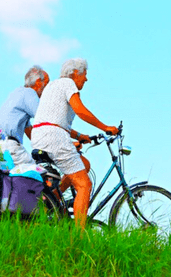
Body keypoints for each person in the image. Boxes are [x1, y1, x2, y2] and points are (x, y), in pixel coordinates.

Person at [31, 58, 118, 228]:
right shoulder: (68, 83)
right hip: (54, 137)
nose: (86, 79)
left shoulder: (52, 86)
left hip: (40, 136)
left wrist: (79, 136)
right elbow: (80, 110)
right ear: (75, 73)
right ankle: (77, 239)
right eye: (85, 74)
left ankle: (53, 200)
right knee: (84, 185)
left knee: (83, 164)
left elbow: (52, 119)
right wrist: (105, 127)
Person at [0, 65, 49, 166]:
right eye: (47, 84)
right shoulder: (30, 93)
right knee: (37, 175)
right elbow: (46, 119)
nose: (47, 89)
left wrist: (47, 146)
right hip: (9, 146)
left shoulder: (16, 93)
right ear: (38, 82)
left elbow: (29, 131)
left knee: (9, 180)